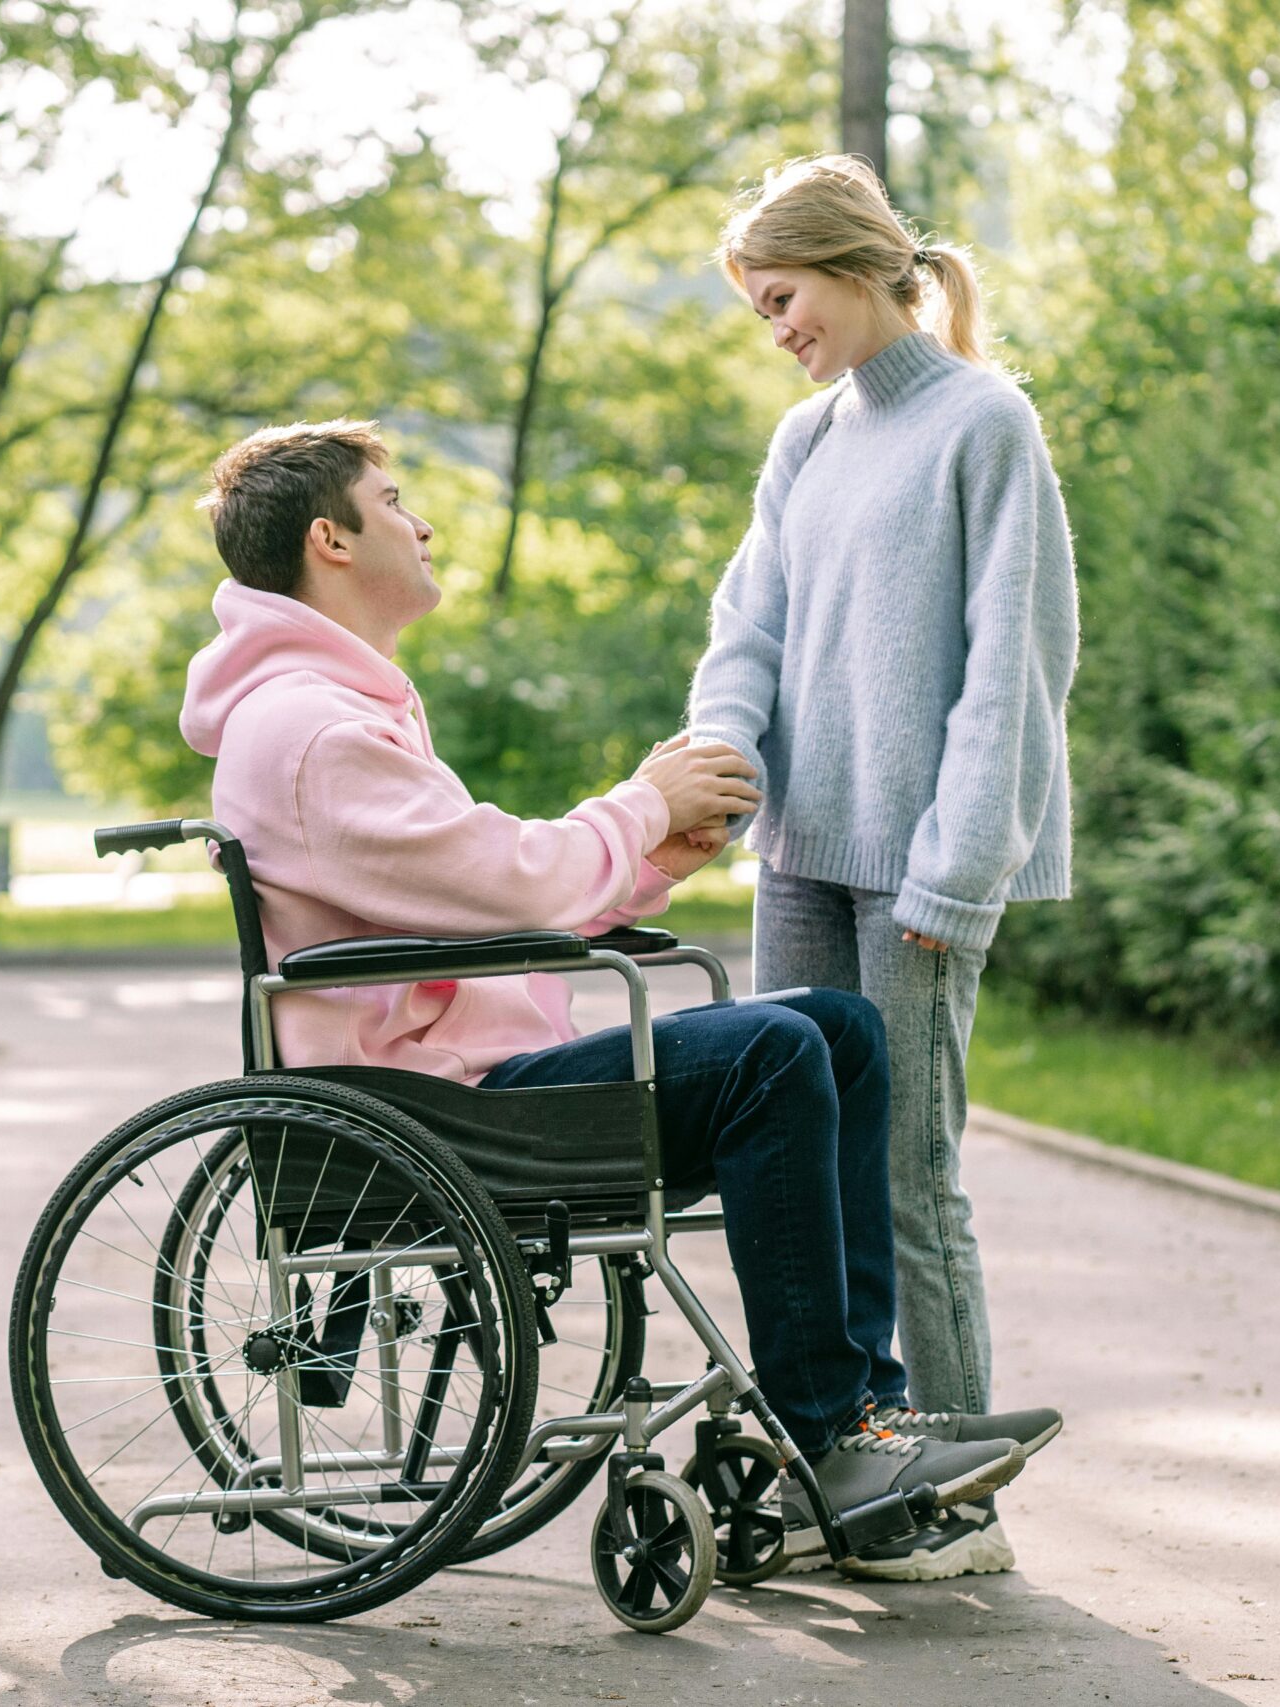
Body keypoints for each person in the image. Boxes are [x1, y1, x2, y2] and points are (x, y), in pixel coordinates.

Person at [177, 417, 1051, 1552]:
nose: (423, 521)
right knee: (774, 1053)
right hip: (433, 1105)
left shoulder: (339, 709)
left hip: (453, 1078)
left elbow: (462, 901)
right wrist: (643, 800)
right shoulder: (307, 727)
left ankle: (863, 1420)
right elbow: (505, 873)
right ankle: (833, 1434)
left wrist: (646, 868)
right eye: (395, 501)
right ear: (330, 541)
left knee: (835, 1027)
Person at [684, 155, 1081, 1580]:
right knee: (801, 1180)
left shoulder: (985, 421)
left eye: (781, 298)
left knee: (911, 1179)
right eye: (760, 310)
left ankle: (959, 1499)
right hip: (798, 855)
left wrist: (958, 875)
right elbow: (751, 632)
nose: (775, 328)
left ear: (853, 266)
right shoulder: (805, 442)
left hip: (919, 878)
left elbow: (1014, 673)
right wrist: (720, 759)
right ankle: (841, 1463)